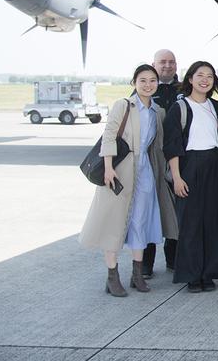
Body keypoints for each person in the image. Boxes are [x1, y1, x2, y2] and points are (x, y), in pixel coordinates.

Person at [80, 64, 178, 296]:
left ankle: (137, 275)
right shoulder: (123, 105)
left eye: (152, 80)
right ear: (134, 82)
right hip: (119, 172)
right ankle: (112, 276)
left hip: (145, 173)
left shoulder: (158, 112)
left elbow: (159, 146)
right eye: (143, 80)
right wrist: (107, 168)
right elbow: (109, 136)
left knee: (140, 223)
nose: (148, 85)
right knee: (113, 224)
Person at [163, 61, 218, 293]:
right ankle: (192, 274)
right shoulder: (180, 108)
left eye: (210, 76)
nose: (205, 80)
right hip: (189, 167)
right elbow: (172, 146)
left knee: (215, 223)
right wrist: (177, 177)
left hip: (213, 166)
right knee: (191, 223)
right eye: (200, 75)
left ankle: (209, 273)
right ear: (190, 79)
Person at [142, 48, 182, 279]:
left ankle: (173, 258)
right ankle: (146, 262)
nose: (167, 66)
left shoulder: (184, 91)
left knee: (176, 211)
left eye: (171, 62)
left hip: (177, 158)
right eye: (162, 62)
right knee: (149, 210)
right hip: (152, 159)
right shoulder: (146, 90)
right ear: (154, 64)